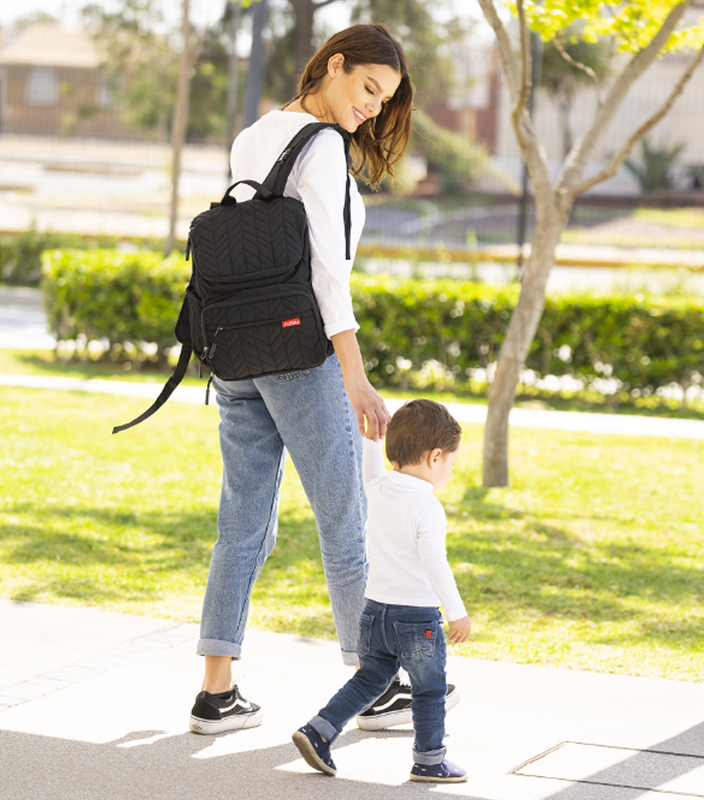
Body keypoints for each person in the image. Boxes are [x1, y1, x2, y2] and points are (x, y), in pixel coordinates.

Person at [189, 23, 416, 736]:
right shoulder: (322, 147)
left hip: (235, 353)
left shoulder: (253, 133)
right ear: (335, 65)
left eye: (384, 101)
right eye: (368, 89)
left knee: (242, 524)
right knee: (346, 520)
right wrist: (356, 377)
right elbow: (325, 274)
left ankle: (215, 694)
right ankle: (373, 683)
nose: (373, 109)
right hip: (301, 357)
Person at [292, 399, 471, 783]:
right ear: (435, 457)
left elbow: (370, 466)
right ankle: (429, 761)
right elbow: (434, 563)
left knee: (370, 679)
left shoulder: (379, 490)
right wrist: (456, 611)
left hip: (374, 613)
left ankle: (319, 731)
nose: (452, 471)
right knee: (429, 689)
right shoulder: (427, 507)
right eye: (452, 463)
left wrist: (373, 437)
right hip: (417, 619)